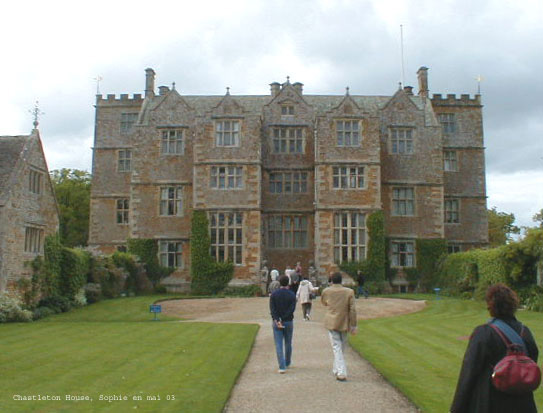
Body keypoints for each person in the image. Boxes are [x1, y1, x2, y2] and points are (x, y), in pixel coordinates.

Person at [450, 283, 539, 412]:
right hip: (522, 403)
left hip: (490, 401)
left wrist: (457, 408)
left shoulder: (484, 332)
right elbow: (532, 361)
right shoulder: (525, 332)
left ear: (491, 305)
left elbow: (469, 373)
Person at [321, 272, 357, 381]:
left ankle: (337, 369)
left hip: (332, 321)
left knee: (339, 347)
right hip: (344, 322)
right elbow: (353, 310)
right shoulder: (349, 292)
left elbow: (324, 302)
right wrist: (353, 325)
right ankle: (341, 372)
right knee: (339, 346)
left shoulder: (326, 291)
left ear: (331, 280)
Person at [269, 275, 297, 374]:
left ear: (279, 283)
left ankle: (282, 366)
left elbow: (273, 309)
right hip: (288, 321)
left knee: (278, 344)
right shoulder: (292, 295)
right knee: (288, 342)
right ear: (288, 282)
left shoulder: (274, 295)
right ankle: (287, 362)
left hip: (277, 322)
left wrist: (277, 319)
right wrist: (284, 318)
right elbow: (292, 309)